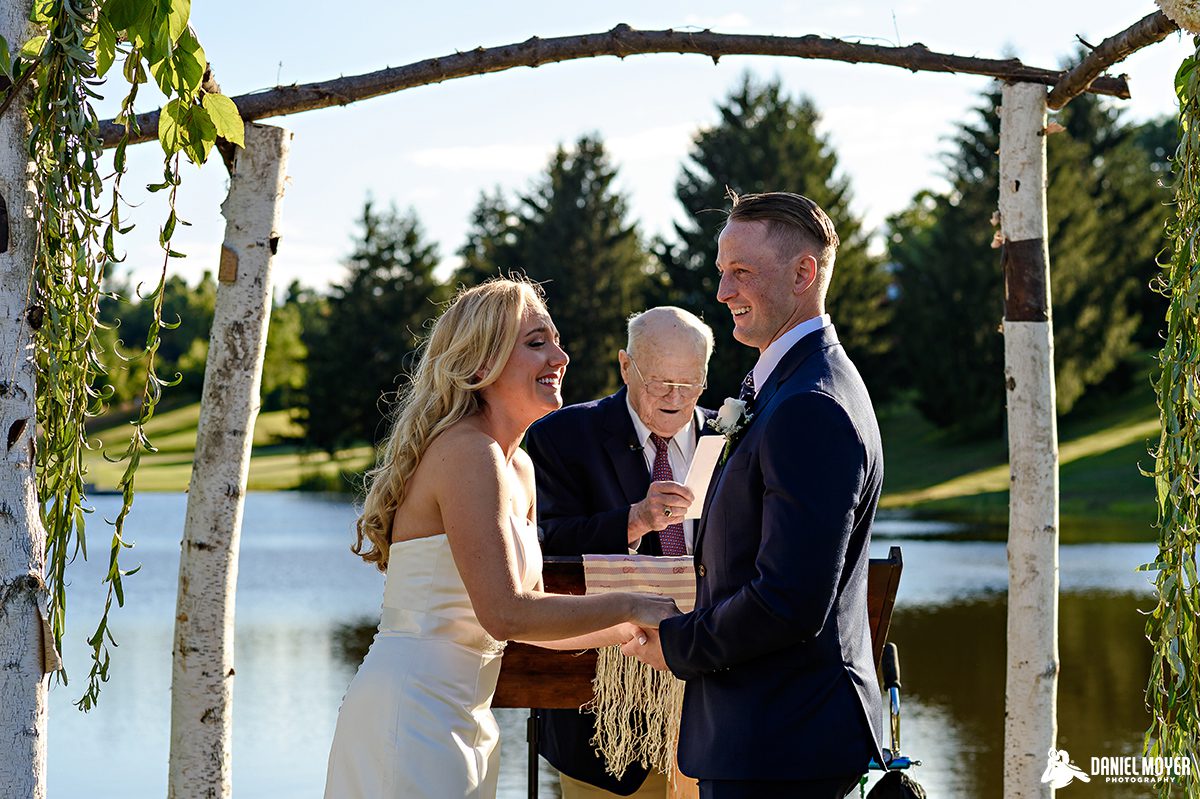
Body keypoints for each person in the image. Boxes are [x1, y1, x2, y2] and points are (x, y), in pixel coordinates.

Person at [323, 277, 679, 799]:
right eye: (536, 342)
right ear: (480, 363)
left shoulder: (520, 467)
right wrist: (633, 603)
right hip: (411, 713)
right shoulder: (469, 452)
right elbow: (506, 612)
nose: (560, 355)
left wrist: (638, 631)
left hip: (467, 719)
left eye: (556, 340)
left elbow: (529, 621)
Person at [623, 192, 888, 799]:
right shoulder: (786, 387)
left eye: (741, 273)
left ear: (804, 274)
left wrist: (678, 644)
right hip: (763, 737)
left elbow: (789, 599)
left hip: (784, 746)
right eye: (721, 272)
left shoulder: (812, 406)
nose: (722, 293)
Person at [526, 307, 717, 798]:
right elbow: (541, 548)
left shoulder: (730, 437)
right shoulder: (562, 436)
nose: (675, 398)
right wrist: (632, 521)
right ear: (626, 366)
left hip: (712, 709)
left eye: (689, 383)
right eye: (659, 383)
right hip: (602, 713)